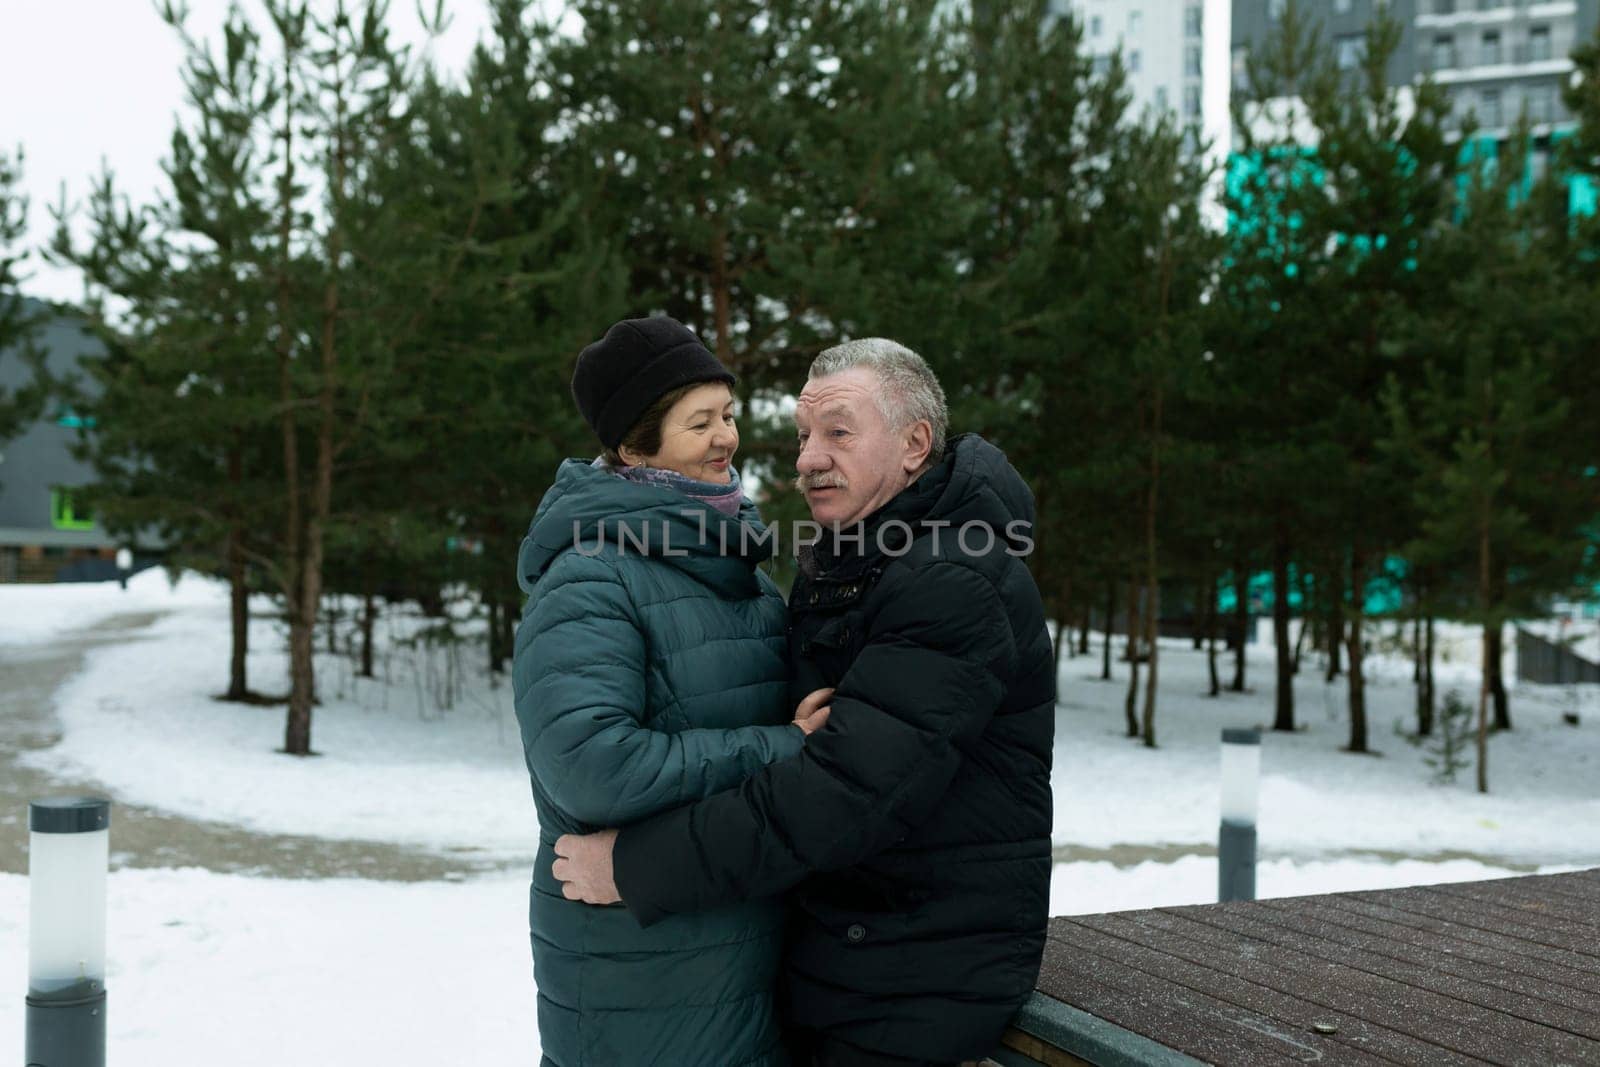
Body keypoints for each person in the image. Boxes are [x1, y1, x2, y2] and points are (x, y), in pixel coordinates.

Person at [553, 339, 1056, 1066]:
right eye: (801, 435)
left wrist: (638, 867)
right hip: (847, 960)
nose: (806, 458)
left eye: (838, 432)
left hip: (906, 989)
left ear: (915, 444)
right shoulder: (857, 558)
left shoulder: (952, 577)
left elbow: (842, 793)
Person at [512, 316, 833, 1067]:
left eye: (727, 415)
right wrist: (783, 747)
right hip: (638, 975)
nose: (727, 436)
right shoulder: (589, 577)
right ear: (633, 444)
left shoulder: (738, 569)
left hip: (737, 958)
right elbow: (591, 766)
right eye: (700, 421)